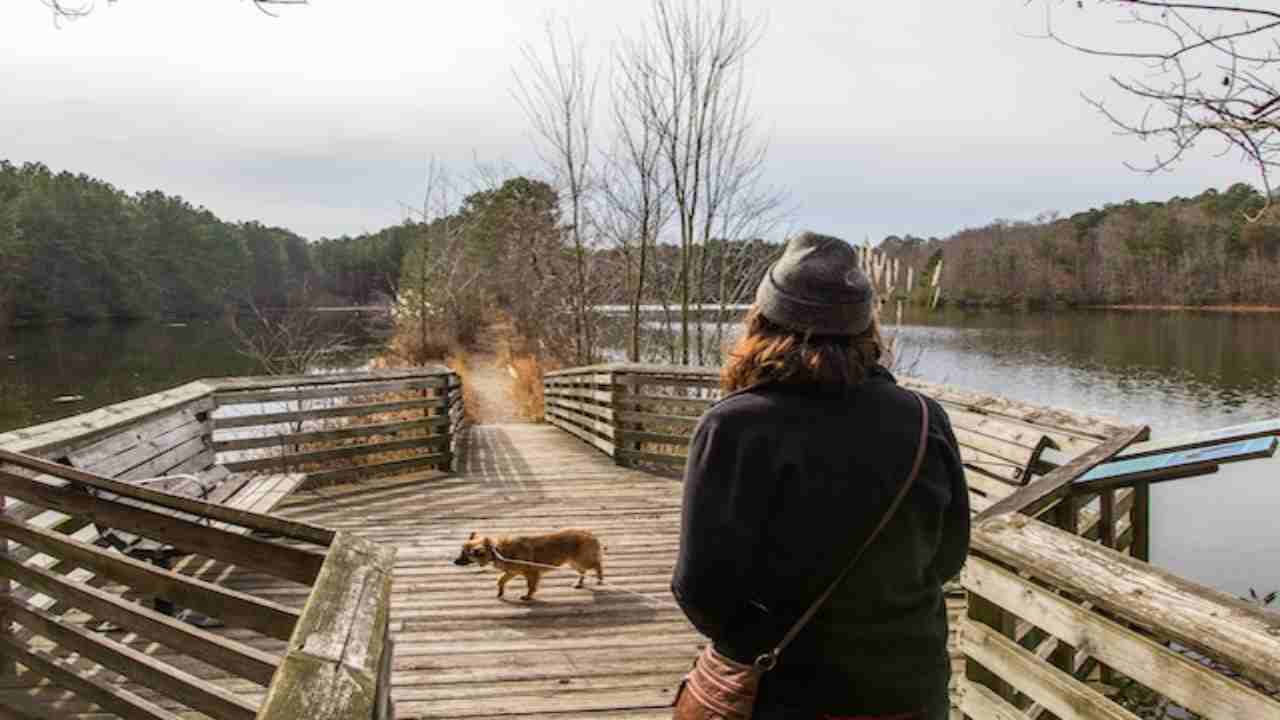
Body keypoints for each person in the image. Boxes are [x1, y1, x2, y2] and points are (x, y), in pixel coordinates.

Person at [671, 232, 970, 720]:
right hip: (907, 688)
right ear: (867, 326)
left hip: (787, 692)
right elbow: (948, 556)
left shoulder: (735, 426)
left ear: (761, 321)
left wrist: (757, 636)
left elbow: (701, 589)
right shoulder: (923, 418)